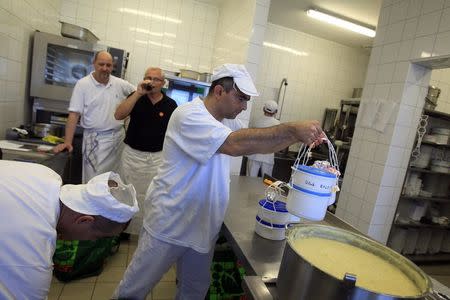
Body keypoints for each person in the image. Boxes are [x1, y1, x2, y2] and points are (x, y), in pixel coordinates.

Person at [113, 64, 324, 299]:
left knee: (193, 291)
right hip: (170, 221)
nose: (244, 106)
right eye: (241, 99)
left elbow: (258, 144)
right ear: (219, 92)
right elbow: (234, 144)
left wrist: (296, 136)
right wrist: (292, 128)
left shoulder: (227, 120)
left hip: (203, 224)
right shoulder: (188, 114)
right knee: (134, 289)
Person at [0, 160, 139, 300]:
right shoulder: (35, 251)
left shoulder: (46, 173)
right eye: (96, 237)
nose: (91, 241)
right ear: (85, 220)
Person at [53, 51, 135, 183]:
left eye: (108, 65)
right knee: (93, 182)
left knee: (115, 181)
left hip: (118, 139)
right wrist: (68, 142)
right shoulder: (83, 84)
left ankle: (109, 204)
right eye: (101, 64)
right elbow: (74, 114)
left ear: (112, 66)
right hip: (95, 140)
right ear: (94, 64)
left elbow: (138, 94)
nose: (105, 68)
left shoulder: (120, 84)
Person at [115, 67, 178, 235]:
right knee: (129, 193)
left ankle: (146, 229)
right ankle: (126, 231)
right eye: (148, 78)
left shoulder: (170, 105)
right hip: (132, 156)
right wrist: (137, 93)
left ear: (163, 83)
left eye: (156, 79)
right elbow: (118, 115)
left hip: (157, 159)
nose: (151, 82)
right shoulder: (136, 97)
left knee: (151, 196)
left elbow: (175, 133)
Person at [247, 100, 281, 177]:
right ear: (275, 111)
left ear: (263, 109)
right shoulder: (277, 124)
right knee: (266, 182)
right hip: (268, 157)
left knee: (249, 180)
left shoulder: (255, 120)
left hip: (253, 155)